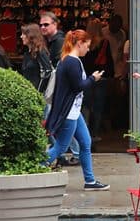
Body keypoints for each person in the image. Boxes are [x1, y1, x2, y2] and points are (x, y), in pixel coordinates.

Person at [45, 29, 109, 191]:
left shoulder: (67, 60)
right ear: (79, 43)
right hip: (69, 112)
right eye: (87, 45)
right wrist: (93, 78)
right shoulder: (72, 62)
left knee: (85, 143)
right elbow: (78, 86)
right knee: (61, 146)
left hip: (73, 110)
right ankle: (35, 167)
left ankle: (90, 181)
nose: (88, 49)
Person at [84, 18, 113, 139]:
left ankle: (85, 133)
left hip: (87, 77)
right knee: (98, 108)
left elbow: (83, 61)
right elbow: (109, 61)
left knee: (86, 106)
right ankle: (95, 134)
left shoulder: (84, 43)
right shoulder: (105, 42)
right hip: (101, 77)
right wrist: (110, 75)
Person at [20, 23, 52, 94]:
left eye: (23, 34)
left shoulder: (40, 52)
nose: (21, 36)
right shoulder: (28, 53)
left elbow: (47, 71)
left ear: (31, 36)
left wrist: (38, 92)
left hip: (36, 94)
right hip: (28, 92)